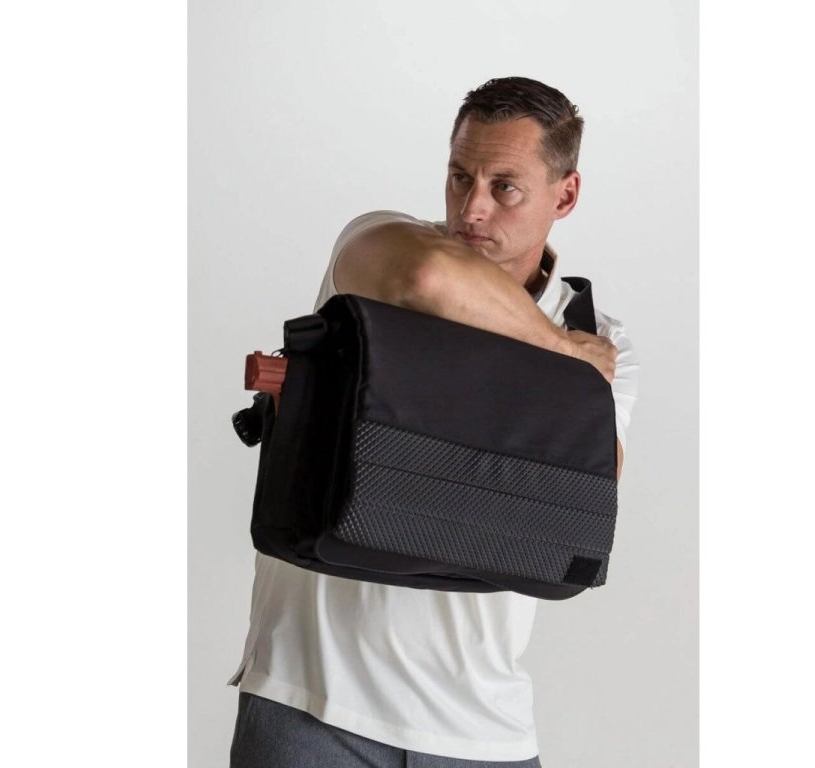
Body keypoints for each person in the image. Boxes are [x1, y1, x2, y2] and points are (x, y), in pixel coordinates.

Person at [228, 76, 640, 768]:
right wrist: (562, 358)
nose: (471, 208)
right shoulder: (378, 247)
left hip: (481, 726)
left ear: (565, 195)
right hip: (311, 701)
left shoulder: (601, 332)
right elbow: (426, 279)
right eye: (459, 177)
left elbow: (587, 490)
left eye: (505, 187)